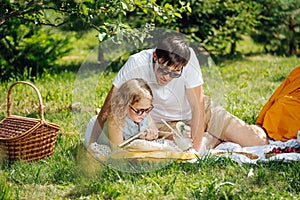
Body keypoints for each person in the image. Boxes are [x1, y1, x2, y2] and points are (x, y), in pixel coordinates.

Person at [87, 35, 269, 152]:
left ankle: (235, 132)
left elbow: (197, 107)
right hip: (164, 122)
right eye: (163, 70)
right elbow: (109, 104)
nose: (167, 77)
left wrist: (196, 152)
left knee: (257, 142)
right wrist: (92, 145)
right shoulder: (136, 63)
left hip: (199, 110)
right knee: (183, 147)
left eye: (175, 73)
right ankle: (212, 139)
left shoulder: (189, 60)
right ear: (155, 57)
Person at [84, 78, 159, 150]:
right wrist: (140, 141)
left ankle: (98, 111)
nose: (144, 114)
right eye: (139, 111)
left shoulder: (144, 113)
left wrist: (152, 135)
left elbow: (155, 131)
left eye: (148, 109)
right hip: (105, 143)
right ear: (125, 105)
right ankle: (100, 114)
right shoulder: (116, 120)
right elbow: (117, 151)